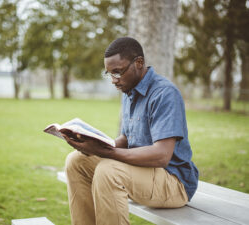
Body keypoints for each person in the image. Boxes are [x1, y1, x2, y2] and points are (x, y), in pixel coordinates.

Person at [61, 37, 199, 225]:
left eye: (117, 72)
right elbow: (127, 138)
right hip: (143, 173)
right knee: (75, 161)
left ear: (139, 63)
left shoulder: (164, 93)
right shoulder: (129, 90)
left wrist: (107, 152)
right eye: (109, 74)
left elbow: (161, 156)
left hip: (173, 182)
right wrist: (93, 145)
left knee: (108, 171)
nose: (113, 80)